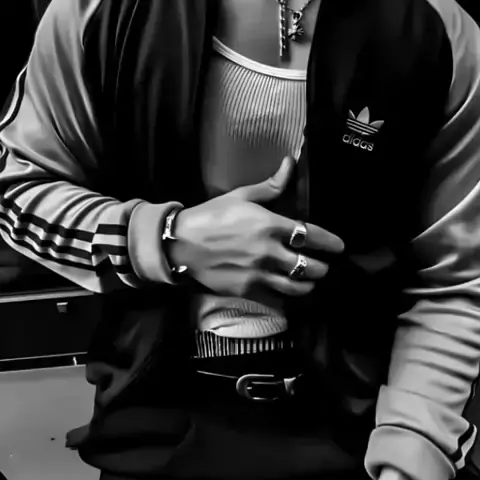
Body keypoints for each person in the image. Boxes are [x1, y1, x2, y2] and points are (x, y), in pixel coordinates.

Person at [0, 0, 480, 479]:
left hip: (362, 428)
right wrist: (165, 242)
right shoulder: (101, 11)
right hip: (156, 419)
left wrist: (414, 450)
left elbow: (456, 279)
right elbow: (18, 192)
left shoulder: (435, 27)